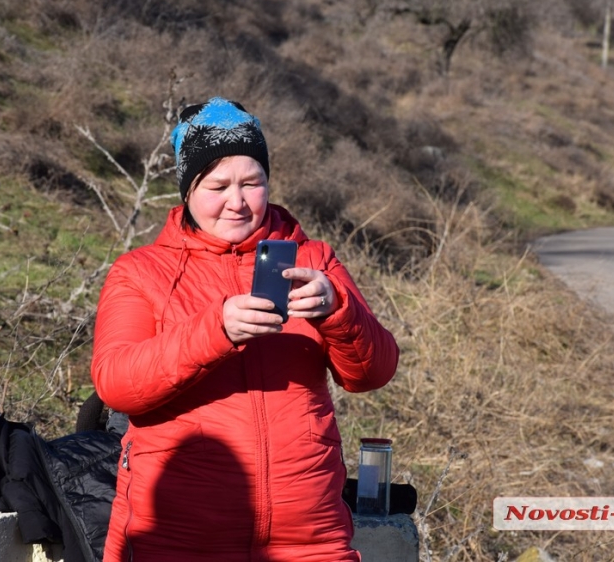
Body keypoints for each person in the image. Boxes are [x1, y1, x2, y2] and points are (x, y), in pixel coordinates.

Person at [90, 97, 399, 562]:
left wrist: (338, 310)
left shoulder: (313, 259)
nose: (237, 202)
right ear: (186, 190)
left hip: (311, 537)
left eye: (252, 183)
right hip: (176, 539)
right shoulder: (141, 271)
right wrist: (216, 330)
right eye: (218, 186)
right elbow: (116, 384)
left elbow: (372, 373)